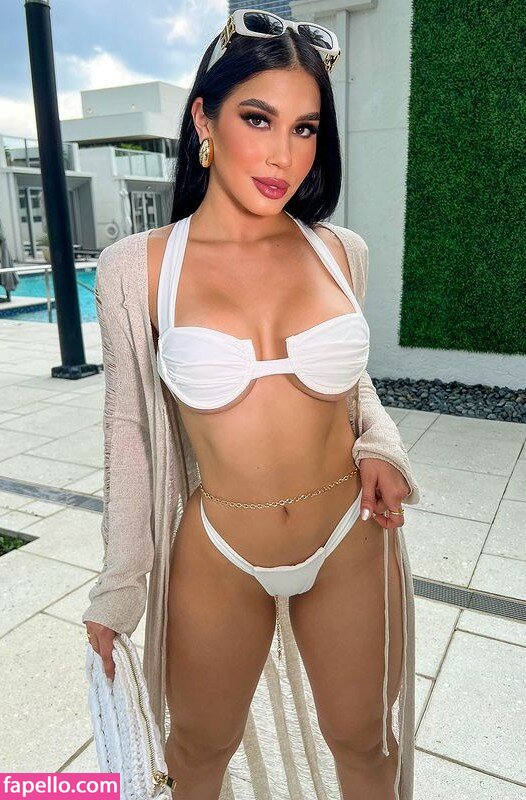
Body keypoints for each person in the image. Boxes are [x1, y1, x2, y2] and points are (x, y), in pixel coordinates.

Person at [83, 10, 420, 800]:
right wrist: (121, 582)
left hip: (348, 536)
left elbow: (350, 382)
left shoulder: (338, 251)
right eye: (258, 119)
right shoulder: (137, 268)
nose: (283, 155)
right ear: (205, 118)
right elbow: (128, 431)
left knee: (367, 746)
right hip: (220, 551)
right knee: (196, 755)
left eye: (305, 128)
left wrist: (380, 445)